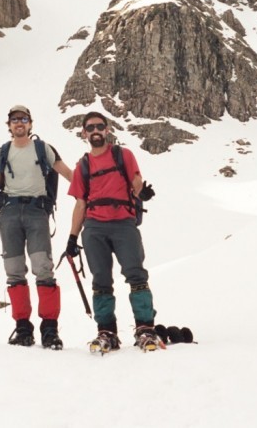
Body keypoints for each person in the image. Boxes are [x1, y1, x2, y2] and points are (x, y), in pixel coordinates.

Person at [65, 111, 160, 352]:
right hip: (94, 227)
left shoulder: (123, 155)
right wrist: (73, 238)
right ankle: (106, 332)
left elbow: (136, 181)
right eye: (90, 128)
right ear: (84, 133)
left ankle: (145, 328)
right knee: (101, 281)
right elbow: (80, 204)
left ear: (107, 130)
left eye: (100, 126)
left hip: (123, 224)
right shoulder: (83, 166)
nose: (95, 131)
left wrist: (141, 193)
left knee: (136, 275)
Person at [0, 105, 73, 349]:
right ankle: (23, 328)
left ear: (30, 124)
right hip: (9, 212)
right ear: (9, 125)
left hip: (36, 211)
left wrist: (90, 194)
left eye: (23, 119)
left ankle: (50, 329)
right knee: (13, 270)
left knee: (43, 267)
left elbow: (67, 174)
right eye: (14, 120)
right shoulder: (1, 153)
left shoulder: (43, 149)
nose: (19, 123)